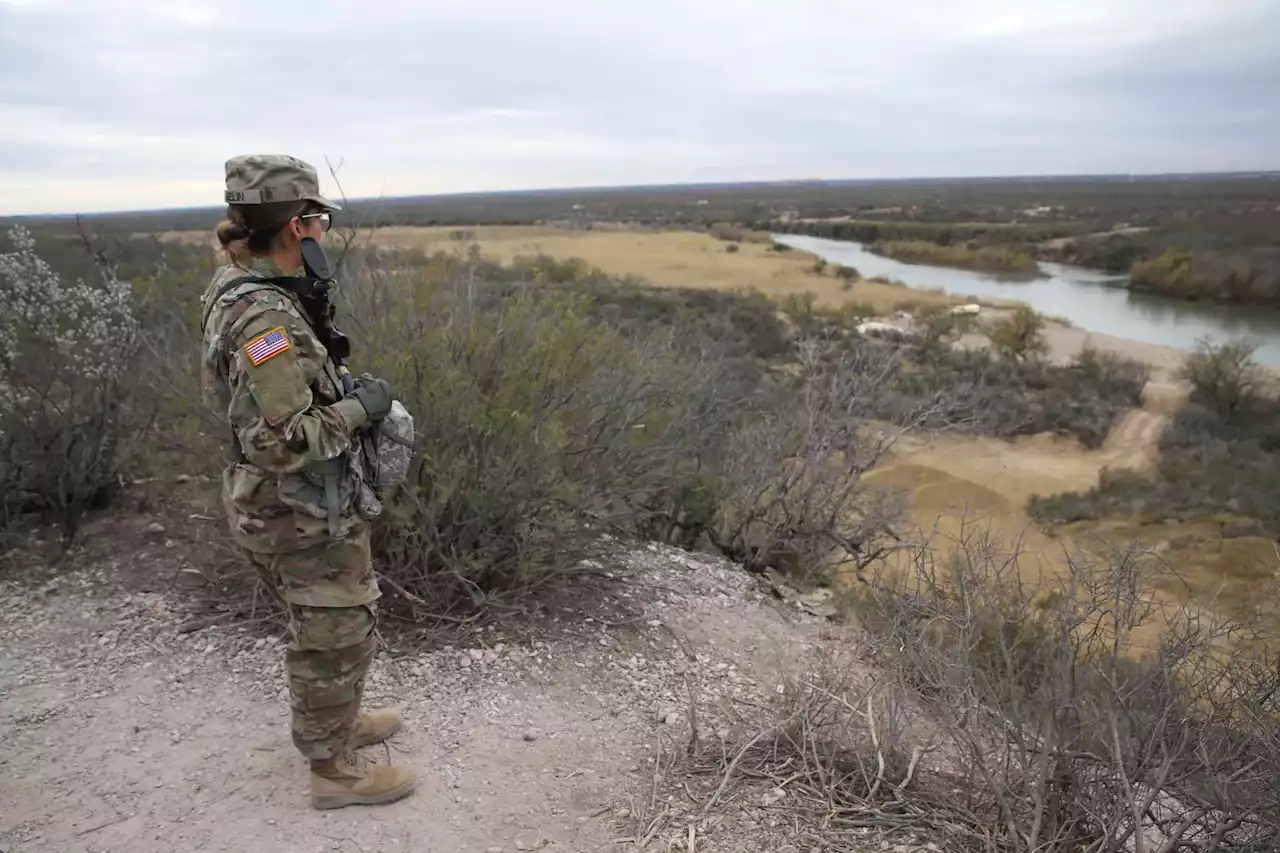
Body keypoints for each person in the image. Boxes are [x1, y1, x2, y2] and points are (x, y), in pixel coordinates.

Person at [198, 154, 417, 810]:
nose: (321, 229)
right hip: (296, 507)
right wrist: (362, 409)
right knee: (332, 629)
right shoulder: (265, 319)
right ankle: (334, 770)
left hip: (290, 503)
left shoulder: (239, 282)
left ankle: (340, 724)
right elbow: (282, 439)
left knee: (337, 619)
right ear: (297, 225)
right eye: (316, 217)